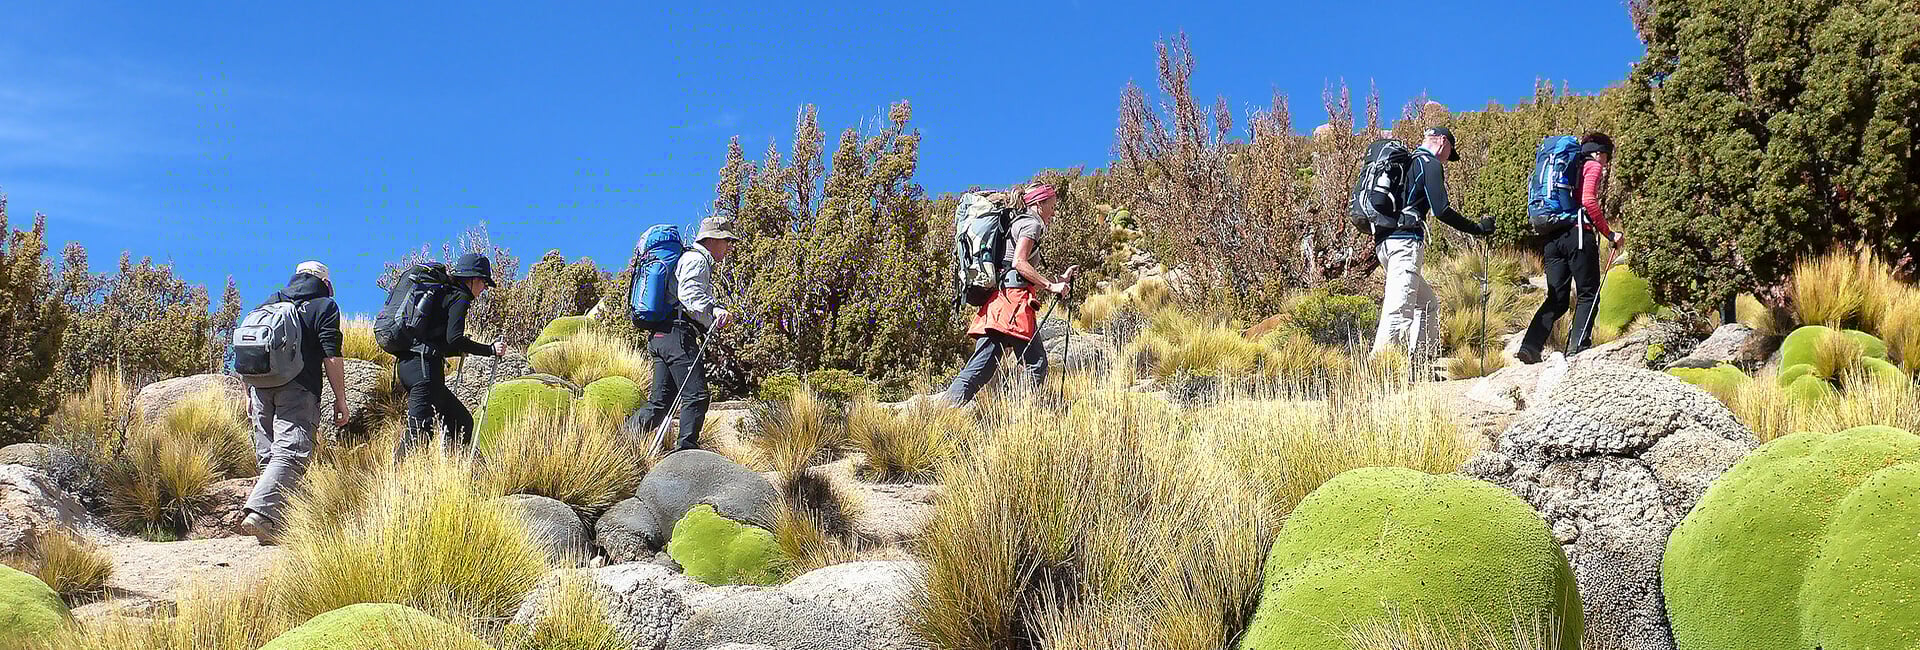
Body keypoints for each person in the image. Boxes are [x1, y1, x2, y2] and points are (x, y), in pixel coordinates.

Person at [236, 261, 347, 543]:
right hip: (299, 387)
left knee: (270, 455)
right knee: (292, 451)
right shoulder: (324, 306)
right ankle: (260, 513)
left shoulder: (270, 302)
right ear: (326, 282)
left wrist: (248, 392)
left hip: (261, 386)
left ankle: (275, 524)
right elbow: (331, 355)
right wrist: (340, 399)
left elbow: (247, 347)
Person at [942, 183, 1079, 405]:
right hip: (1012, 305)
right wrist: (1050, 286)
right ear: (1039, 203)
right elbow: (1019, 263)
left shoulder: (1020, 222)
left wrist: (1059, 281)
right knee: (1033, 364)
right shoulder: (1031, 224)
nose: (1054, 211)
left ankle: (946, 411)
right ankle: (1018, 413)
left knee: (983, 368)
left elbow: (1014, 266)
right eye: (1051, 206)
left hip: (1002, 302)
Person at [1370, 126, 1497, 360]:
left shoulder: (1406, 162)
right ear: (1442, 142)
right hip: (1405, 244)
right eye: (1450, 152)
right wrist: (1477, 229)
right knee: (1399, 309)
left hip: (1385, 243)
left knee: (1428, 305)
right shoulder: (1429, 163)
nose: (1449, 159)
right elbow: (1442, 210)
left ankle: (1421, 364)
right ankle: (1382, 369)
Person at [625, 216, 737, 453]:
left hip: (660, 336)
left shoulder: (688, 258)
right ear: (713, 239)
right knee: (696, 396)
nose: (728, 247)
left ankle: (621, 442)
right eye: (727, 241)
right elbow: (690, 296)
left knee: (660, 403)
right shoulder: (697, 259)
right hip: (677, 335)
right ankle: (686, 454)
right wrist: (714, 310)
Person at [1518, 132, 1618, 363]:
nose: (1605, 164)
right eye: (1606, 158)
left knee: (1557, 298)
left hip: (1552, 237)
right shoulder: (1591, 165)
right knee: (1588, 293)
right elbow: (1588, 201)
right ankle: (1577, 348)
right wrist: (1610, 233)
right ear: (1599, 152)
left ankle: (1530, 346)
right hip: (1578, 235)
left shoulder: (1565, 166)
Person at [396, 252, 510, 453]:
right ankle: (398, 480)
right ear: (473, 279)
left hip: (411, 365)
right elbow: (454, 338)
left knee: (461, 421)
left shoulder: (443, 293)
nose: (484, 288)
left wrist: (457, 349)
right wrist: (490, 349)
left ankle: (451, 471)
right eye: (483, 282)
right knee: (419, 432)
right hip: (424, 370)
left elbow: (442, 340)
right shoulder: (460, 297)